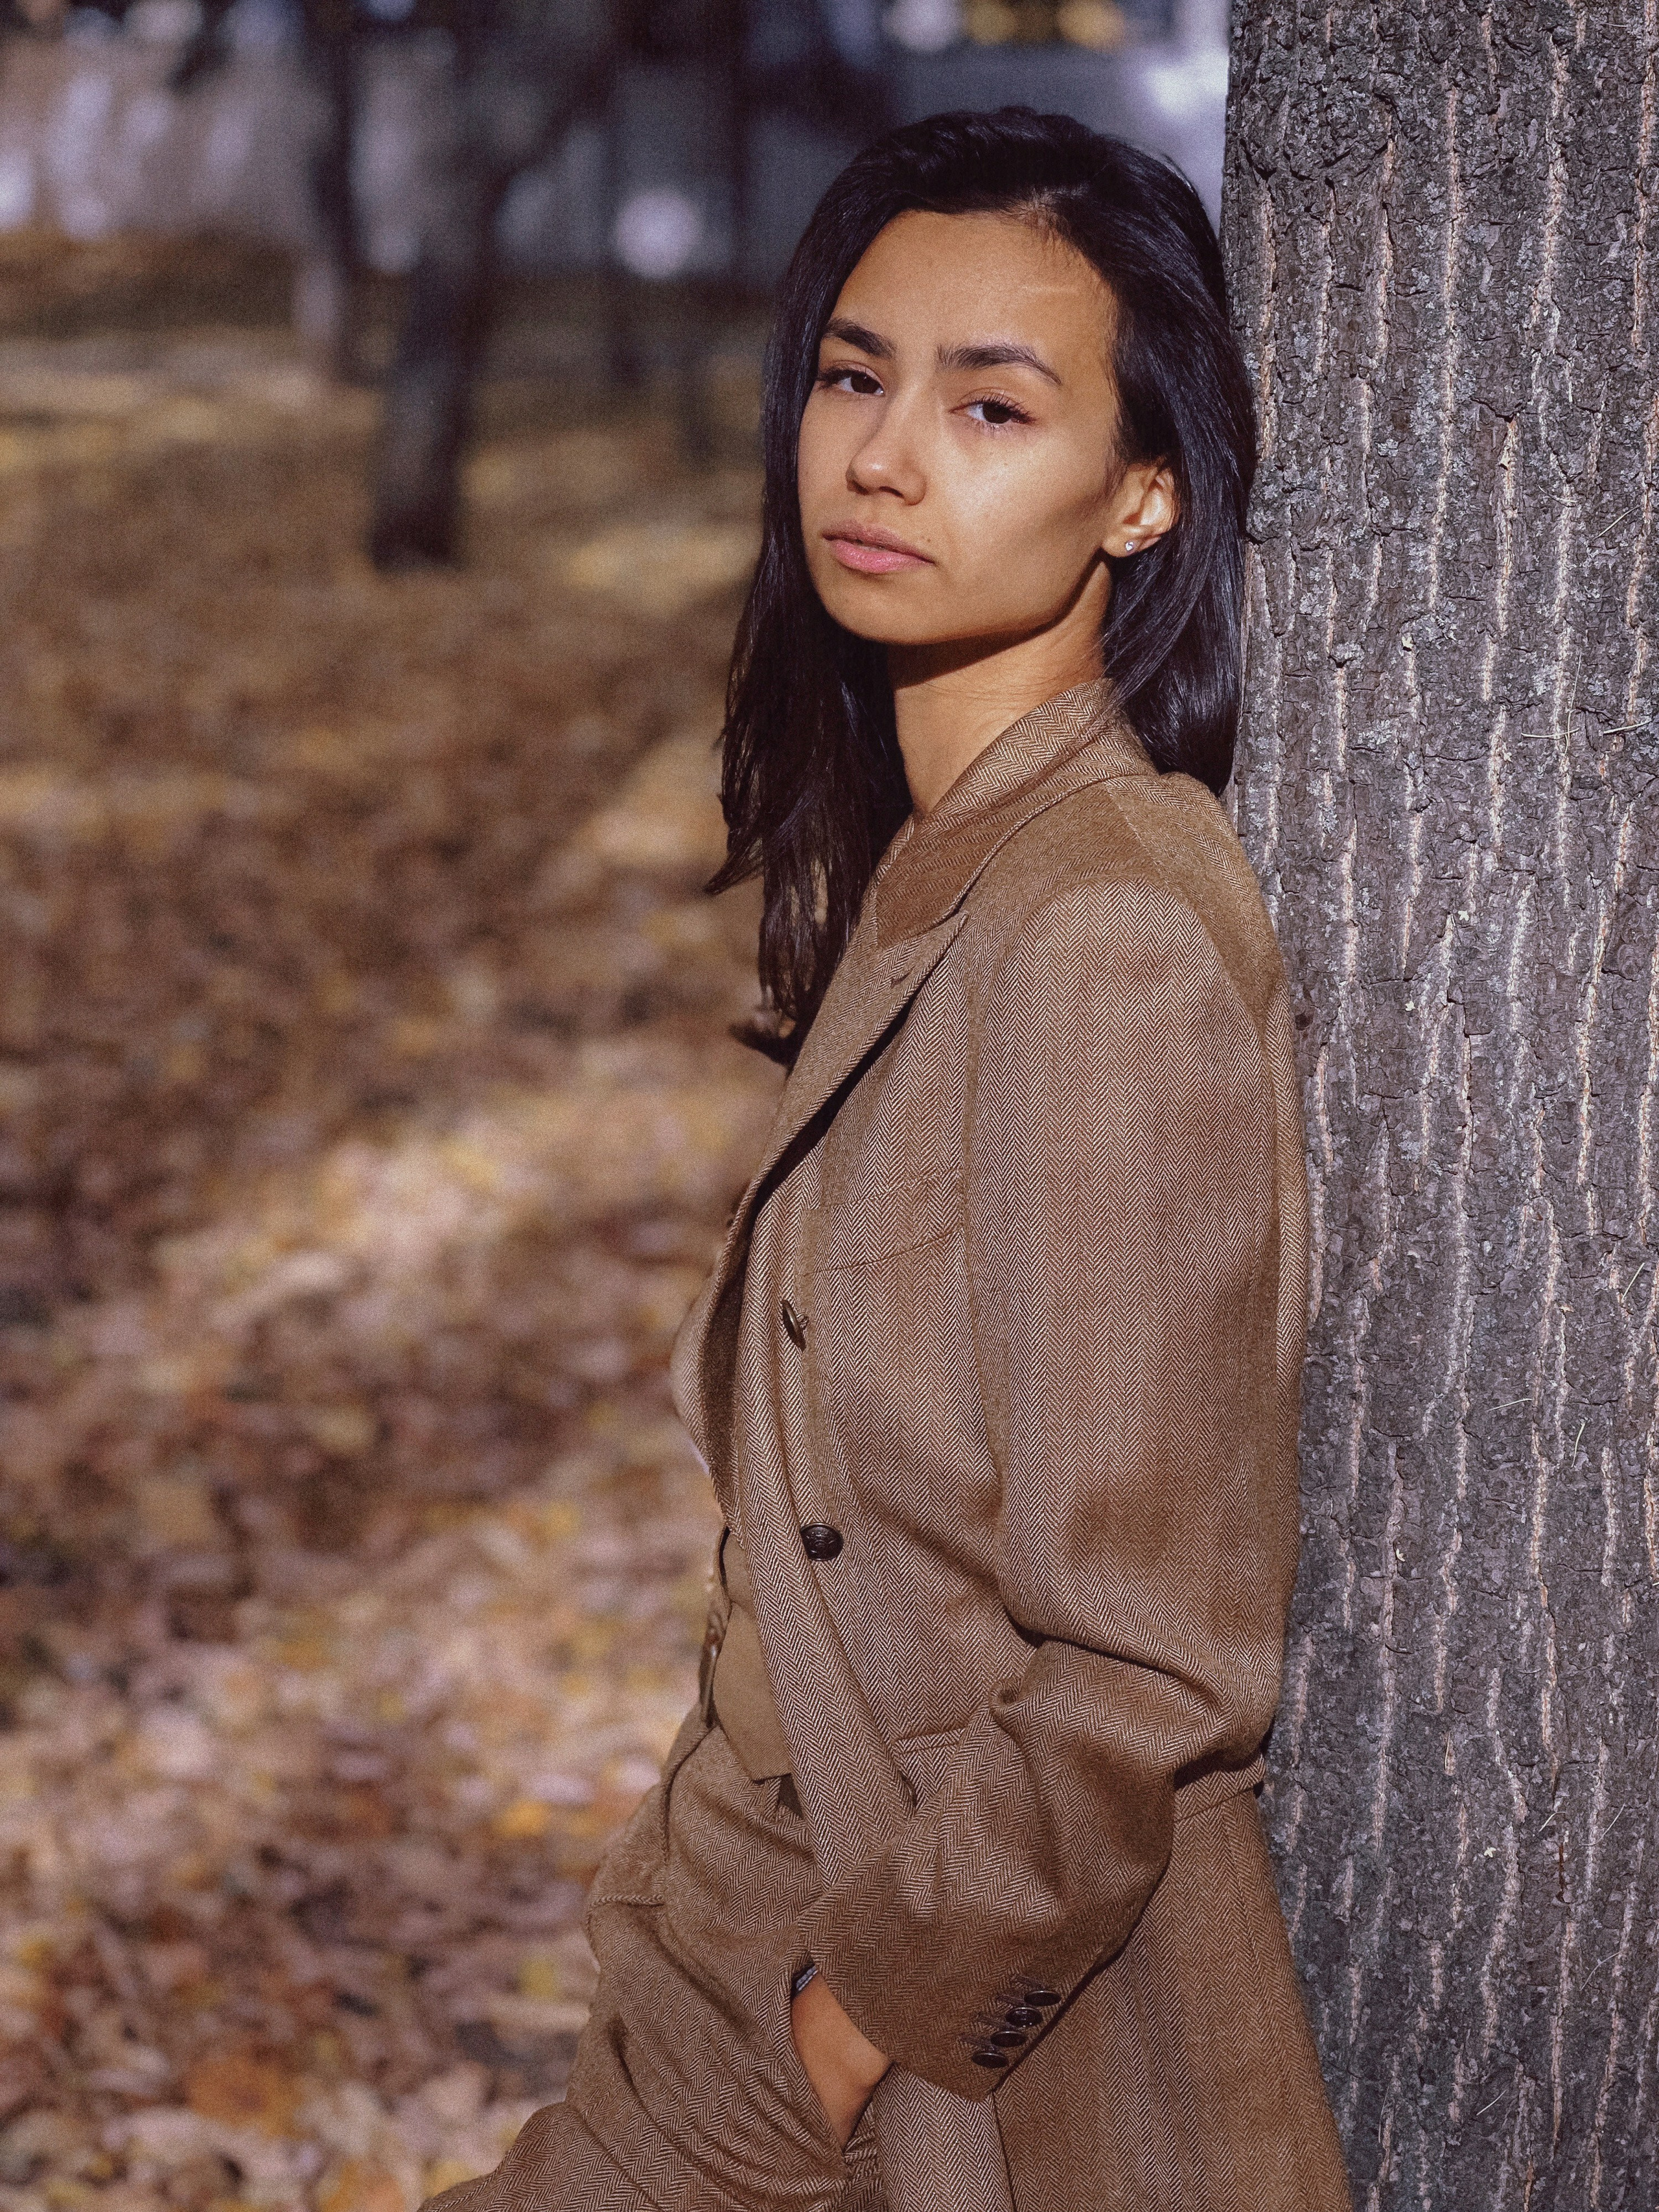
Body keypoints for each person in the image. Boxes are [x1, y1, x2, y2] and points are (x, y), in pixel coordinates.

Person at [431, 106, 1351, 2212]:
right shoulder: (945, 864)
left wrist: (828, 2058)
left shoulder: (1102, 930)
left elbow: (1147, 1666)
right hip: (741, 1964)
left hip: (926, 2068)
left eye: (992, 404)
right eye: (857, 376)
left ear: (1143, 492)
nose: (884, 456)